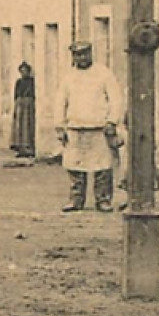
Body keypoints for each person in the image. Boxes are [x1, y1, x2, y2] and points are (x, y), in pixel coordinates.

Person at [56, 41, 122, 212]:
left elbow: (116, 99)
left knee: (102, 166)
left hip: (98, 127)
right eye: (78, 55)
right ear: (74, 57)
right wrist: (59, 126)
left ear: (91, 54)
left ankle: (103, 199)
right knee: (75, 166)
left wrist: (112, 121)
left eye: (85, 54)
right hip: (75, 127)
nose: (82, 58)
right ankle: (76, 199)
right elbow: (60, 102)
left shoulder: (103, 74)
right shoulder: (68, 77)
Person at [9, 62, 36, 161]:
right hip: (20, 104)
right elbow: (15, 95)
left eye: (25, 71)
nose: (24, 73)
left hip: (28, 104)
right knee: (19, 126)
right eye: (22, 71)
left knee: (27, 126)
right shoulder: (19, 82)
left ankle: (28, 148)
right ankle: (20, 148)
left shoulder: (31, 82)